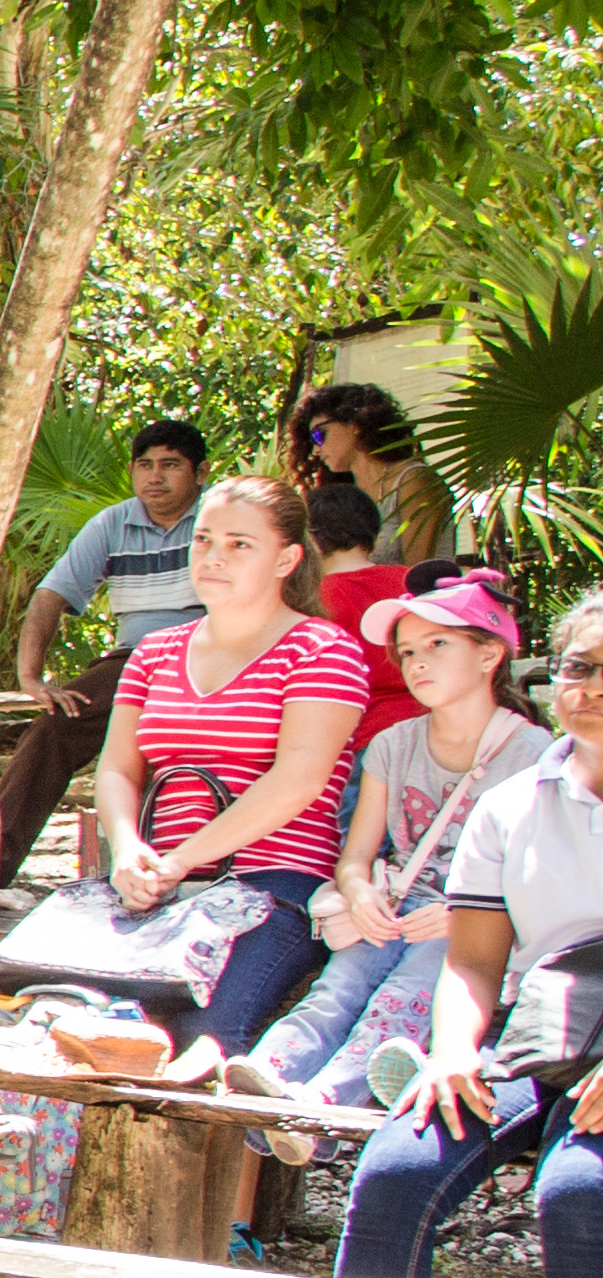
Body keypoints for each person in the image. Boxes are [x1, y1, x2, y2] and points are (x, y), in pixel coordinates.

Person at [331, 590, 603, 1278]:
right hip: (547, 1018)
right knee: (397, 1168)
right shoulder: (517, 801)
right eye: (579, 668)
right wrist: (453, 1053)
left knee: (582, 1193)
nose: (591, 691)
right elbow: (477, 961)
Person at [91, 473, 375, 1056]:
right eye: (204, 540)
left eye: (239, 544)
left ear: (287, 559)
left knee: (198, 1035)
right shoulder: (155, 651)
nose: (214, 557)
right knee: (49, 1011)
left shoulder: (323, 649)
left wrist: (180, 860)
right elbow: (118, 768)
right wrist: (127, 850)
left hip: (274, 882)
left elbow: (299, 778)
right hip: (157, 884)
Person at [246, 580, 539, 1106]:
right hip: (396, 906)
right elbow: (357, 855)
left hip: (472, 925)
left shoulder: (535, 754)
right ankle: (266, 1076)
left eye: (437, 645)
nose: (417, 663)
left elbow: (541, 878)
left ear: (489, 654)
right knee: (335, 993)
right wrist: (360, 895)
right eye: (406, 652)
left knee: (402, 1001)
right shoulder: (392, 743)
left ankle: (326, 1104)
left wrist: (463, 915)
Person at [0, 417, 212, 887]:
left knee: (170, 747)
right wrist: (31, 677)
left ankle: (171, 870)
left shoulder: (219, 515)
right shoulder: (114, 522)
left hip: (208, 655)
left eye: (170, 465)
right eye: (145, 465)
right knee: (53, 727)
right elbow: (52, 594)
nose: (155, 476)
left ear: (200, 472)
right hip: (132, 660)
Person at [305, 479, 421, 748]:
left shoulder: (313, 602)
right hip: (424, 723)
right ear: (375, 533)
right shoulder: (409, 581)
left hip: (362, 735)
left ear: (311, 539)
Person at [293, 379, 454, 565]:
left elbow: (417, 576)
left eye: (319, 435)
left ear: (355, 425)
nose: (316, 450)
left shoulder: (413, 480)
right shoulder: (343, 495)